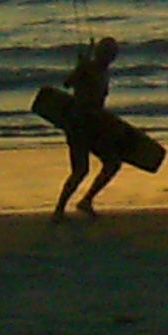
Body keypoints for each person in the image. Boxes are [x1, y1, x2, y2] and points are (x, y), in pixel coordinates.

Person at [53, 36, 124, 222]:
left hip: (94, 126)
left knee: (112, 163)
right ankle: (59, 210)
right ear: (100, 53)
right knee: (80, 170)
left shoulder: (102, 70)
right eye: (107, 53)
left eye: (112, 54)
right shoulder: (89, 67)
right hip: (78, 125)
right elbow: (67, 84)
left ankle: (86, 201)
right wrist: (80, 67)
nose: (109, 57)